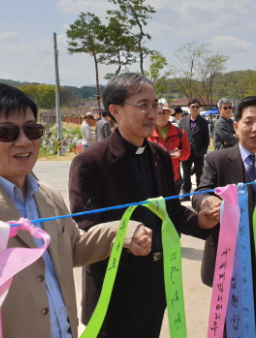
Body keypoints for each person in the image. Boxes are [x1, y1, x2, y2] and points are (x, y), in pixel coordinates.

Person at [0, 83, 152, 338]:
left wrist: (123, 231)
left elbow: (73, 248)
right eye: (6, 133)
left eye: (32, 130)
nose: (24, 141)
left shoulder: (49, 197)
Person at [68, 73, 217, 338]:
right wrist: (123, 236)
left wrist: (201, 222)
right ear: (115, 110)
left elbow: (171, 209)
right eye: (143, 105)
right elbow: (85, 227)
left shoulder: (158, 155)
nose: (152, 113)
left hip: (153, 283)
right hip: (112, 288)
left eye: (155, 105)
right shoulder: (91, 162)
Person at [192, 96, 256, 338]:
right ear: (236, 127)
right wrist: (207, 201)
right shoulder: (217, 160)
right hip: (228, 261)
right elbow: (200, 192)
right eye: (249, 122)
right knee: (229, 326)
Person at [149, 99, 191, 194]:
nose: (162, 116)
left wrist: (180, 154)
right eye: (159, 113)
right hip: (153, 179)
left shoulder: (180, 133)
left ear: (169, 114)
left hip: (174, 178)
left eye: (165, 112)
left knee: (173, 208)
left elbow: (187, 153)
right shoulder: (146, 133)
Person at [178, 99, 209, 199]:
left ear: (199, 109)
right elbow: (179, 137)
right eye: (193, 106)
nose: (195, 109)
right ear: (189, 108)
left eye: (197, 107)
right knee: (186, 173)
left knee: (200, 173)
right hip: (185, 151)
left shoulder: (203, 122)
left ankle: (200, 192)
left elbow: (206, 139)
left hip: (198, 152)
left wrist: (203, 150)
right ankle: (186, 191)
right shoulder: (182, 122)